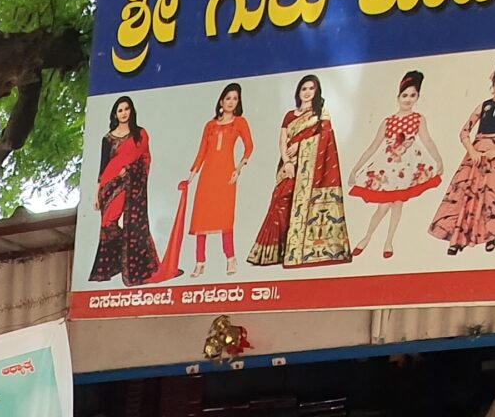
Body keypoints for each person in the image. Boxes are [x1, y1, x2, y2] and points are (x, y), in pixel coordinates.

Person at [246, 74, 351, 269]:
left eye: (311, 88)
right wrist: (287, 162)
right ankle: (271, 252)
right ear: (298, 92)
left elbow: (326, 139)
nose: (307, 92)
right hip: (289, 165)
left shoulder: (321, 115)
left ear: (317, 91)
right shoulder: (290, 115)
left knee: (293, 203)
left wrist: (301, 146)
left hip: (309, 169)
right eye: (304, 88)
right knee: (279, 200)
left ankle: (296, 250)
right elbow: (282, 141)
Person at [430, 59, 495, 256]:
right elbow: (464, 132)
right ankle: (458, 239)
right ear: (492, 82)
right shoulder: (483, 105)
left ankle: (490, 235)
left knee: (494, 196)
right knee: (467, 194)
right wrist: (473, 151)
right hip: (477, 153)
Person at [348, 70, 444, 262]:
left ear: (417, 97)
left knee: (398, 205)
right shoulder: (388, 121)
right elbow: (373, 147)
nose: (408, 99)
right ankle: (367, 237)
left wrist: (438, 160)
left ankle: (388, 241)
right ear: (398, 97)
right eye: (405, 95)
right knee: (382, 207)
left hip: (406, 169)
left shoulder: (418, 118)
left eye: (412, 95)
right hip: (387, 168)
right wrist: (355, 170)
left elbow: (427, 140)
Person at [186, 83, 255, 277]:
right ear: (221, 101)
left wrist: (239, 168)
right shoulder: (210, 125)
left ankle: (230, 258)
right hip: (207, 176)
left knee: (225, 217)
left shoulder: (240, 122)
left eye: (235, 98)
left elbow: (249, 146)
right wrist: (191, 175)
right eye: (228, 98)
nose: (231, 102)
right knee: (201, 217)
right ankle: (200, 262)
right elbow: (202, 151)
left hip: (226, 176)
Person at [89, 96, 158, 284]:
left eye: (127, 109)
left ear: (132, 111)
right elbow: (102, 168)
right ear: (115, 114)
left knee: (120, 223)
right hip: (108, 184)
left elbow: (144, 159)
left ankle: (132, 259)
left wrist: (127, 170)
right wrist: (96, 194)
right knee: (107, 224)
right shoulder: (108, 138)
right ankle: (124, 257)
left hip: (129, 182)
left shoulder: (140, 134)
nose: (124, 113)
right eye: (120, 110)